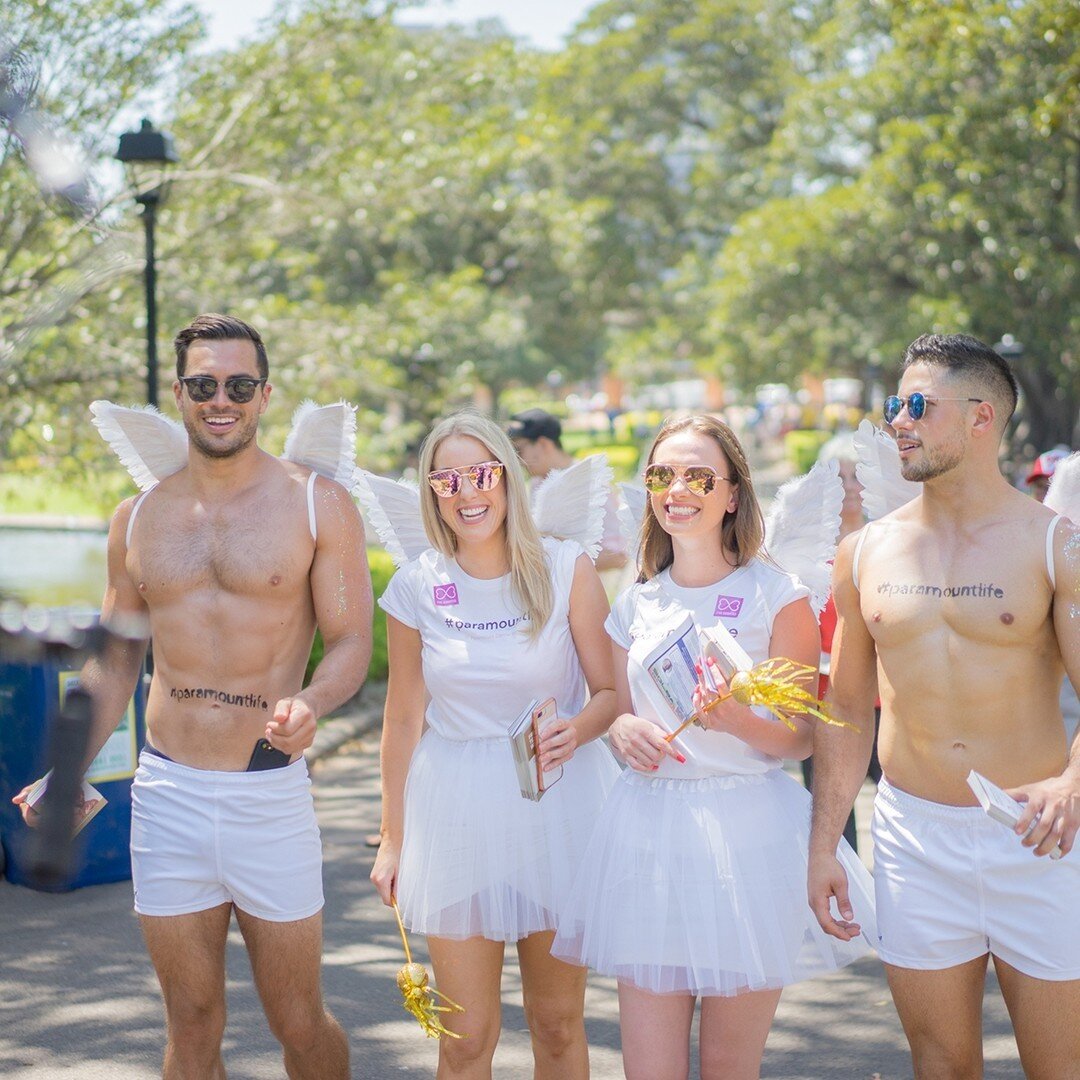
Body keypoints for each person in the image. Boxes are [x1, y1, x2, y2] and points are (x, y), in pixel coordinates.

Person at [14, 313, 374, 1079]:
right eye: (204, 384)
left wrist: (310, 702)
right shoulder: (138, 518)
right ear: (179, 393)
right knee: (191, 1020)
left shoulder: (317, 504)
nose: (222, 399)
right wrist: (65, 771)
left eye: (239, 385)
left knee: (298, 1022)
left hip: (266, 792)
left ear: (265, 394)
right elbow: (114, 663)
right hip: (169, 791)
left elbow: (349, 643)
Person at [553, 414, 875, 1080]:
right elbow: (612, 704)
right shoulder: (635, 601)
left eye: (699, 475)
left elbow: (799, 737)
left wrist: (734, 719)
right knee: (648, 1068)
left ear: (732, 493)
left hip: (746, 836)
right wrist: (619, 730)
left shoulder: (775, 595)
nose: (678, 489)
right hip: (647, 832)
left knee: (729, 1065)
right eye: (661, 475)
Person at [808, 333, 1080, 1080]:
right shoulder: (865, 553)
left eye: (918, 405)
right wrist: (826, 843)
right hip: (913, 839)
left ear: (982, 417)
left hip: (1037, 839)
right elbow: (849, 709)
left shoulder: (1054, 543)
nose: (898, 420)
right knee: (941, 1064)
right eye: (895, 404)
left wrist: (1072, 784)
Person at [369, 411, 619, 1078]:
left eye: (479, 473)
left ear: (507, 478)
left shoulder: (566, 568)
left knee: (559, 1026)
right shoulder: (416, 586)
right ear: (430, 492)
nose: (465, 492)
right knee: (466, 1035)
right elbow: (400, 721)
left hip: (556, 804)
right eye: (445, 479)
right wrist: (392, 837)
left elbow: (608, 694)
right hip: (456, 810)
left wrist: (577, 729)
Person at [508, 407, 628, 573]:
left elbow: (619, 555)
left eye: (519, 450)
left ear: (543, 444)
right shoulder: (536, 484)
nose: (518, 460)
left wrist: (559, 558)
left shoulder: (590, 483)